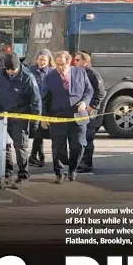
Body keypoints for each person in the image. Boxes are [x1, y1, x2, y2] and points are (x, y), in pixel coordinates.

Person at [0, 53, 41, 190]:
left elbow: (36, 101)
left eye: (13, 70)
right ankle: (6, 174)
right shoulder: (0, 74)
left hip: (20, 116)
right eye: (8, 70)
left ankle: (23, 175)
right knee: (4, 147)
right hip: (3, 115)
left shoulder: (28, 77)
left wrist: (34, 123)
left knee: (20, 147)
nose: (11, 72)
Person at [41, 51, 93, 184]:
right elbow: (45, 99)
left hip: (78, 116)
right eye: (57, 64)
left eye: (62, 64)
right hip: (58, 116)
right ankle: (60, 172)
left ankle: (73, 168)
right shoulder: (50, 76)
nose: (59, 67)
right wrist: (44, 117)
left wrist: (85, 102)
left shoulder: (80, 73)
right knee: (58, 147)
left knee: (79, 145)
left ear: (69, 62)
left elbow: (89, 90)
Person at [74, 51, 106, 173]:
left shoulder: (93, 75)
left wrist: (92, 106)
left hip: (90, 111)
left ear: (85, 61)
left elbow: (100, 93)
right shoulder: (78, 73)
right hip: (80, 109)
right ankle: (80, 161)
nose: (75, 62)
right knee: (79, 136)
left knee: (88, 136)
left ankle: (87, 163)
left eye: (77, 60)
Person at [28, 49, 55, 167]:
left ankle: (35, 156)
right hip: (35, 106)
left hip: (48, 106)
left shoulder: (52, 72)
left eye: (44, 60)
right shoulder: (30, 71)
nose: (42, 62)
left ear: (49, 61)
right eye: (40, 59)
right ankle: (38, 156)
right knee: (38, 132)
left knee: (42, 132)